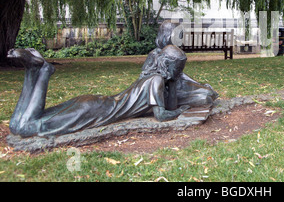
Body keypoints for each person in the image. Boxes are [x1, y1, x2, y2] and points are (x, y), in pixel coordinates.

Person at [7, 45, 190, 138]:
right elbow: (162, 115)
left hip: (94, 104)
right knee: (26, 127)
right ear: (167, 64)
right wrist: (180, 112)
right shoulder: (156, 81)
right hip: (95, 111)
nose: (180, 72)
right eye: (179, 67)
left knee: (17, 125)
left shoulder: (152, 77)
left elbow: (169, 104)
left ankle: (36, 71)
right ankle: (39, 71)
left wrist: (172, 82)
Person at [141, 20, 219, 107]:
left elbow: (180, 75)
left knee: (207, 92)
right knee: (204, 97)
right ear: (167, 36)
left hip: (176, 87)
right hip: (164, 94)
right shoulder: (156, 55)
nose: (180, 41)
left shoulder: (174, 54)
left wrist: (199, 85)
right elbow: (145, 79)